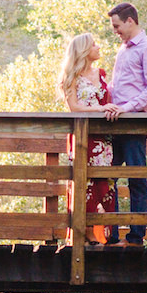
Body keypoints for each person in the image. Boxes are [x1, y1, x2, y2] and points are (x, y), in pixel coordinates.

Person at [102, 2, 147, 245]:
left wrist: (126, 108)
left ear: (130, 21)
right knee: (108, 177)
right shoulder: (123, 50)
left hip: (134, 122)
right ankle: (112, 234)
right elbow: (118, 88)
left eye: (117, 26)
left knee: (136, 177)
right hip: (114, 123)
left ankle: (136, 236)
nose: (115, 30)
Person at [58, 33, 116, 244]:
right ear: (84, 50)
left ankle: (104, 235)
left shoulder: (101, 74)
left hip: (103, 138)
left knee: (104, 182)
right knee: (86, 182)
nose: (98, 47)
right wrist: (101, 108)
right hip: (84, 138)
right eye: (94, 44)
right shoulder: (71, 76)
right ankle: (86, 233)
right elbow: (74, 107)